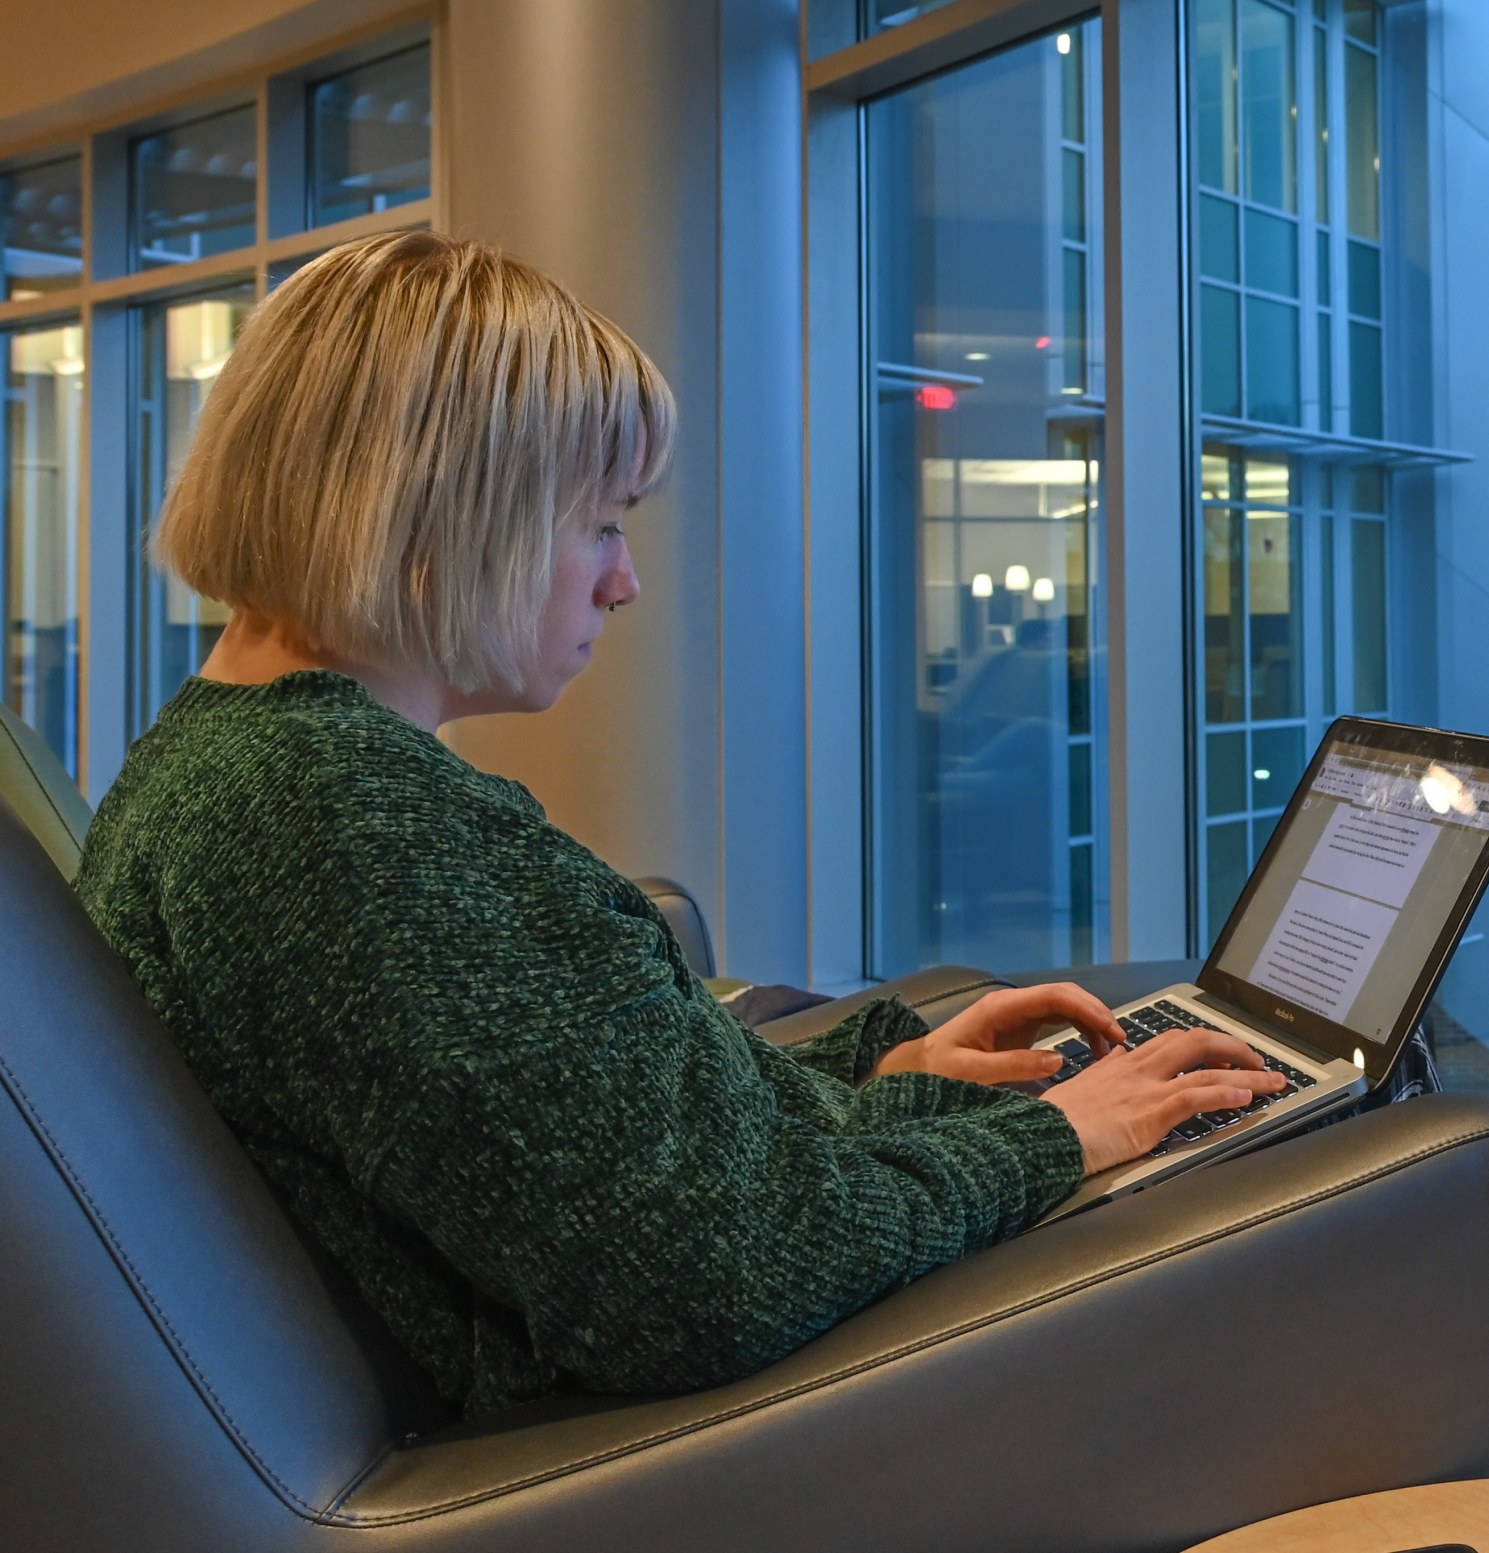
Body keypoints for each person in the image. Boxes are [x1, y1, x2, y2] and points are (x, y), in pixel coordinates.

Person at [73, 230, 1287, 1418]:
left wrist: (885, 1075)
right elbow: (715, 1276)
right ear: (452, 519)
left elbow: (564, 1146)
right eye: (600, 522)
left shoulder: (223, 759)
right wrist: (1060, 1136)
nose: (623, 579)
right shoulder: (341, 817)